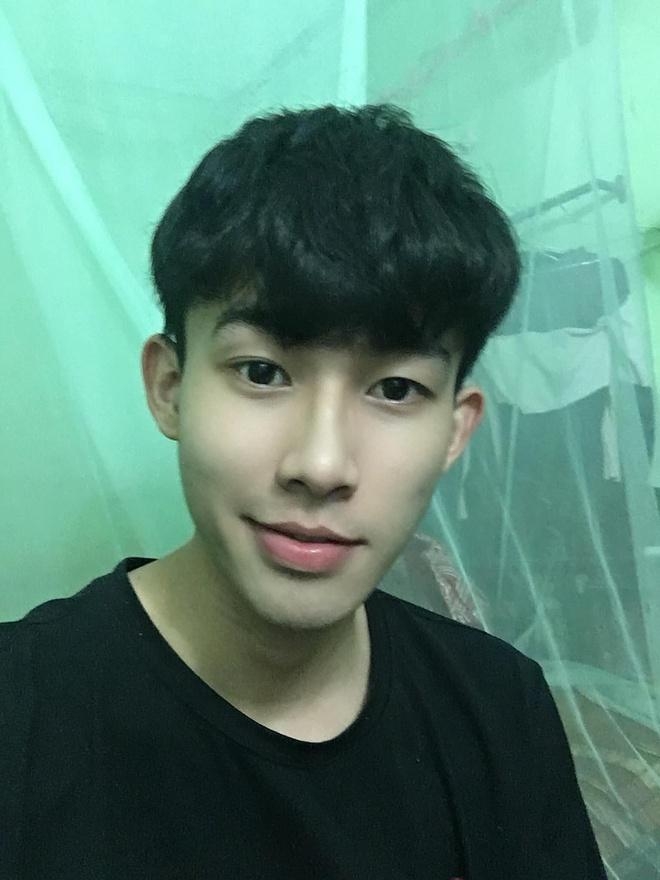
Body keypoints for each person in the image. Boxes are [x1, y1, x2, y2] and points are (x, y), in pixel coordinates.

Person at [0, 104, 607, 879]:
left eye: (395, 388)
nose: (321, 465)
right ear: (169, 386)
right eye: (262, 372)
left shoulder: (502, 706)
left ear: (456, 432)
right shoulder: (20, 717)